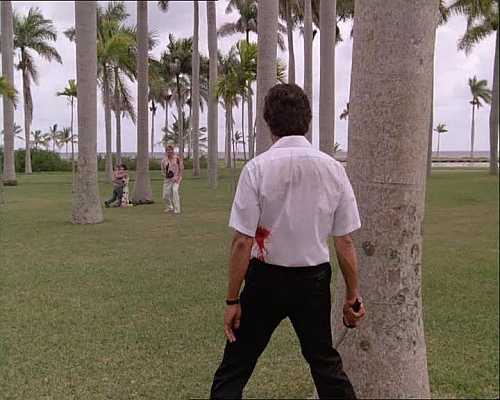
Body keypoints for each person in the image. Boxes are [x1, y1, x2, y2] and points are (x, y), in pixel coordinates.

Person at [210, 83, 366, 399]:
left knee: (236, 365)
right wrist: (353, 296)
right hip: (313, 281)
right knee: (325, 365)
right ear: (306, 121)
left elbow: (242, 242)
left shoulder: (256, 169)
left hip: (264, 281)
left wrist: (232, 300)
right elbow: (345, 241)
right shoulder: (333, 169)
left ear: (269, 123)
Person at [160, 144, 184, 213]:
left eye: (171, 150)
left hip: (176, 178)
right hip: (168, 179)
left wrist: (178, 178)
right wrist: (165, 175)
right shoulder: (164, 161)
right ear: (166, 151)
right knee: (165, 196)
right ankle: (170, 207)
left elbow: (181, 169)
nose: (169, 151)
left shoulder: (177, 159)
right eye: (168, 150)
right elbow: (163, 171)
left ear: (173, 151)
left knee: (175, 191)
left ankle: (177, 209)